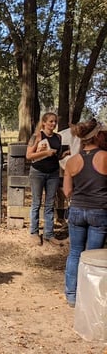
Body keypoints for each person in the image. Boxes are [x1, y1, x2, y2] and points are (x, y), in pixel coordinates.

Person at [62, 118, 107, 308]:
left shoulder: (72, 161)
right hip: (99, 211)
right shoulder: (105, 156)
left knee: (74, 253)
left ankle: (71, 295)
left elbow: (66, 191)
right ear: (97, 135)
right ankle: (88, 296)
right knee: (92, 256)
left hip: (77, 210)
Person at [25, 112, 67, 246]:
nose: (53, 124)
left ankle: (49, 234)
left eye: (55, 122)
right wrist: (45, 152)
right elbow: (29, 155)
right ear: (44, 123)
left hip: (53, 173)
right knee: (36, 203)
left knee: (50, 204)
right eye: (50, 121)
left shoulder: (58, 137)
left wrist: (63, 154)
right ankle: (34, 233)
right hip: (38, 172)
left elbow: (56, 156)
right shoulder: (36, 136)